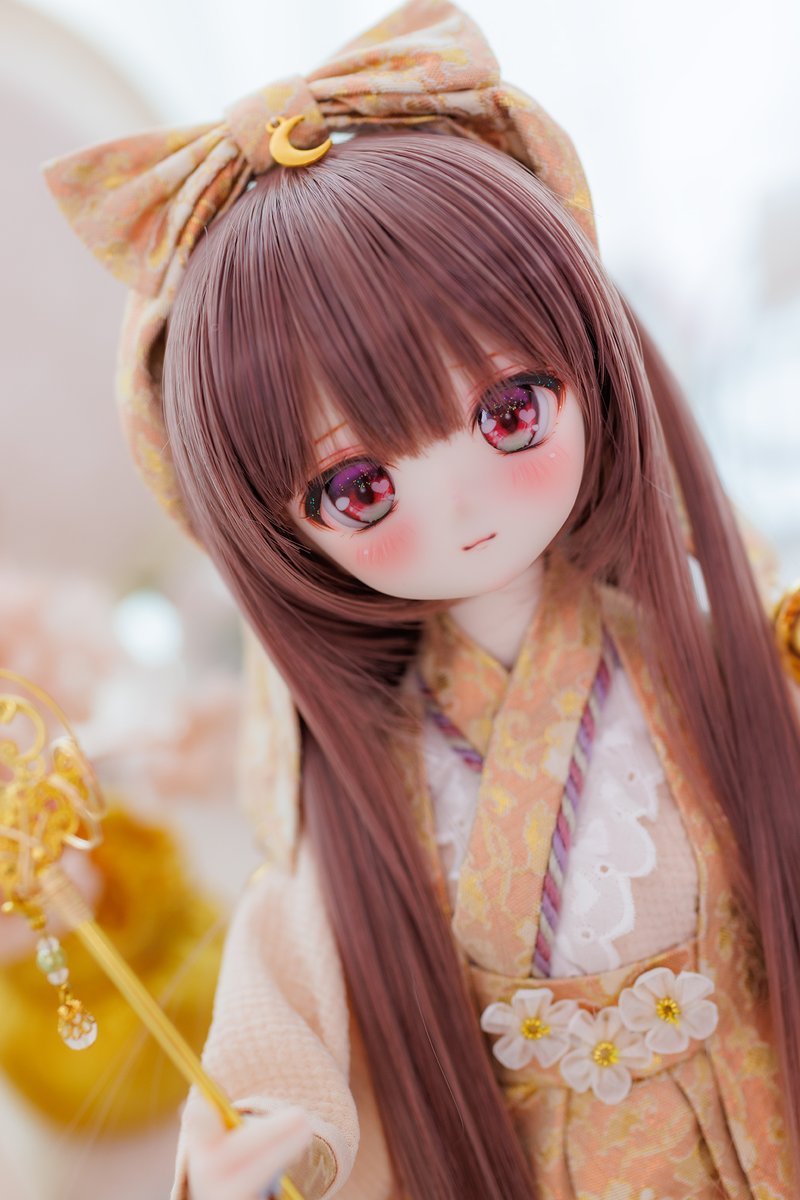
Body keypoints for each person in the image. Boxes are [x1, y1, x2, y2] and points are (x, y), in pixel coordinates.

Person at [42, 2, 800, 1197]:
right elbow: (287, 991)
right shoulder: (369, 787)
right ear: (276, 533)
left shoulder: (718, 656)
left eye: (509, 412)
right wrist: (260, 1134)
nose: (460, 506)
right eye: (357, 487)